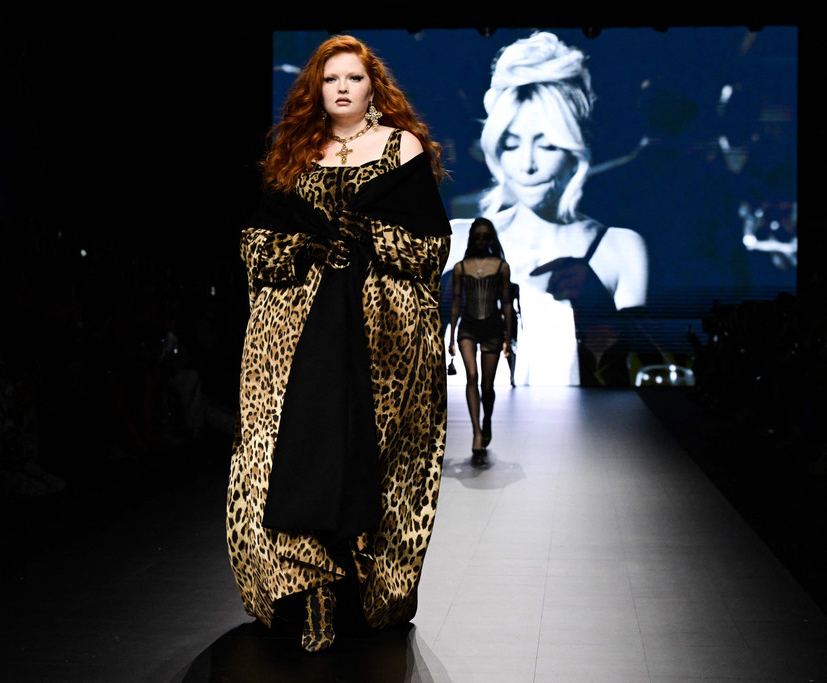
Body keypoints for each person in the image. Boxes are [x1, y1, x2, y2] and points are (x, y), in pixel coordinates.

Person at [227, 35, 451, 653]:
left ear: (373, 87)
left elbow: (430, 247)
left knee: (370, 451)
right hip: (295, 328)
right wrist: (308, 245)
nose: (343, 88)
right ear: (316, 89)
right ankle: (309, 591)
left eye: (354, 77)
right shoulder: (296, 152)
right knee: (291, 450)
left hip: (381, 332)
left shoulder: (402, 148)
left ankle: (359, 591)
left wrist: (369, 234)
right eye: (331, 79)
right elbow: (257, 244)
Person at [450, 31, 648, 386]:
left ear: (574, 149)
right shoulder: (454, 242)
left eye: (547, 146)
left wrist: (598, 310)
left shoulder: (619, 249)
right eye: (511, 144)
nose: (527, 164)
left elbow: (646, 382)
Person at [448, 218, 514, 463]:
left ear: (491, 239)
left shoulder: (501, 266)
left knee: (487, 385)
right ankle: (476, 432)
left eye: (486, 236)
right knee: (472, 376)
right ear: (471, 237)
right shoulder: (460, 267)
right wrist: (451, 335)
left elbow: (506, 303)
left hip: (493, 327)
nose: (481, 240)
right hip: (468, 326)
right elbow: (456, 301)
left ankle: (486, 421)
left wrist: (509, 336)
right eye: (477, 236)